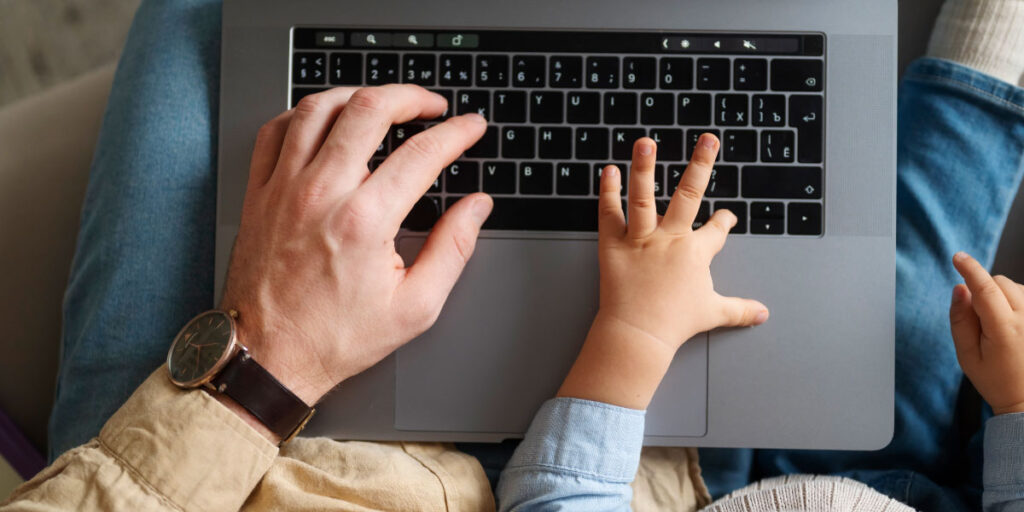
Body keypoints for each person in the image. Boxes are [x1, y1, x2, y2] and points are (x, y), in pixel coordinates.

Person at [3, 0, 1023, 509]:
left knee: (207, 17)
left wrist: (266, 360)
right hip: (788, 478)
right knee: (912, 339)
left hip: (279, 473)